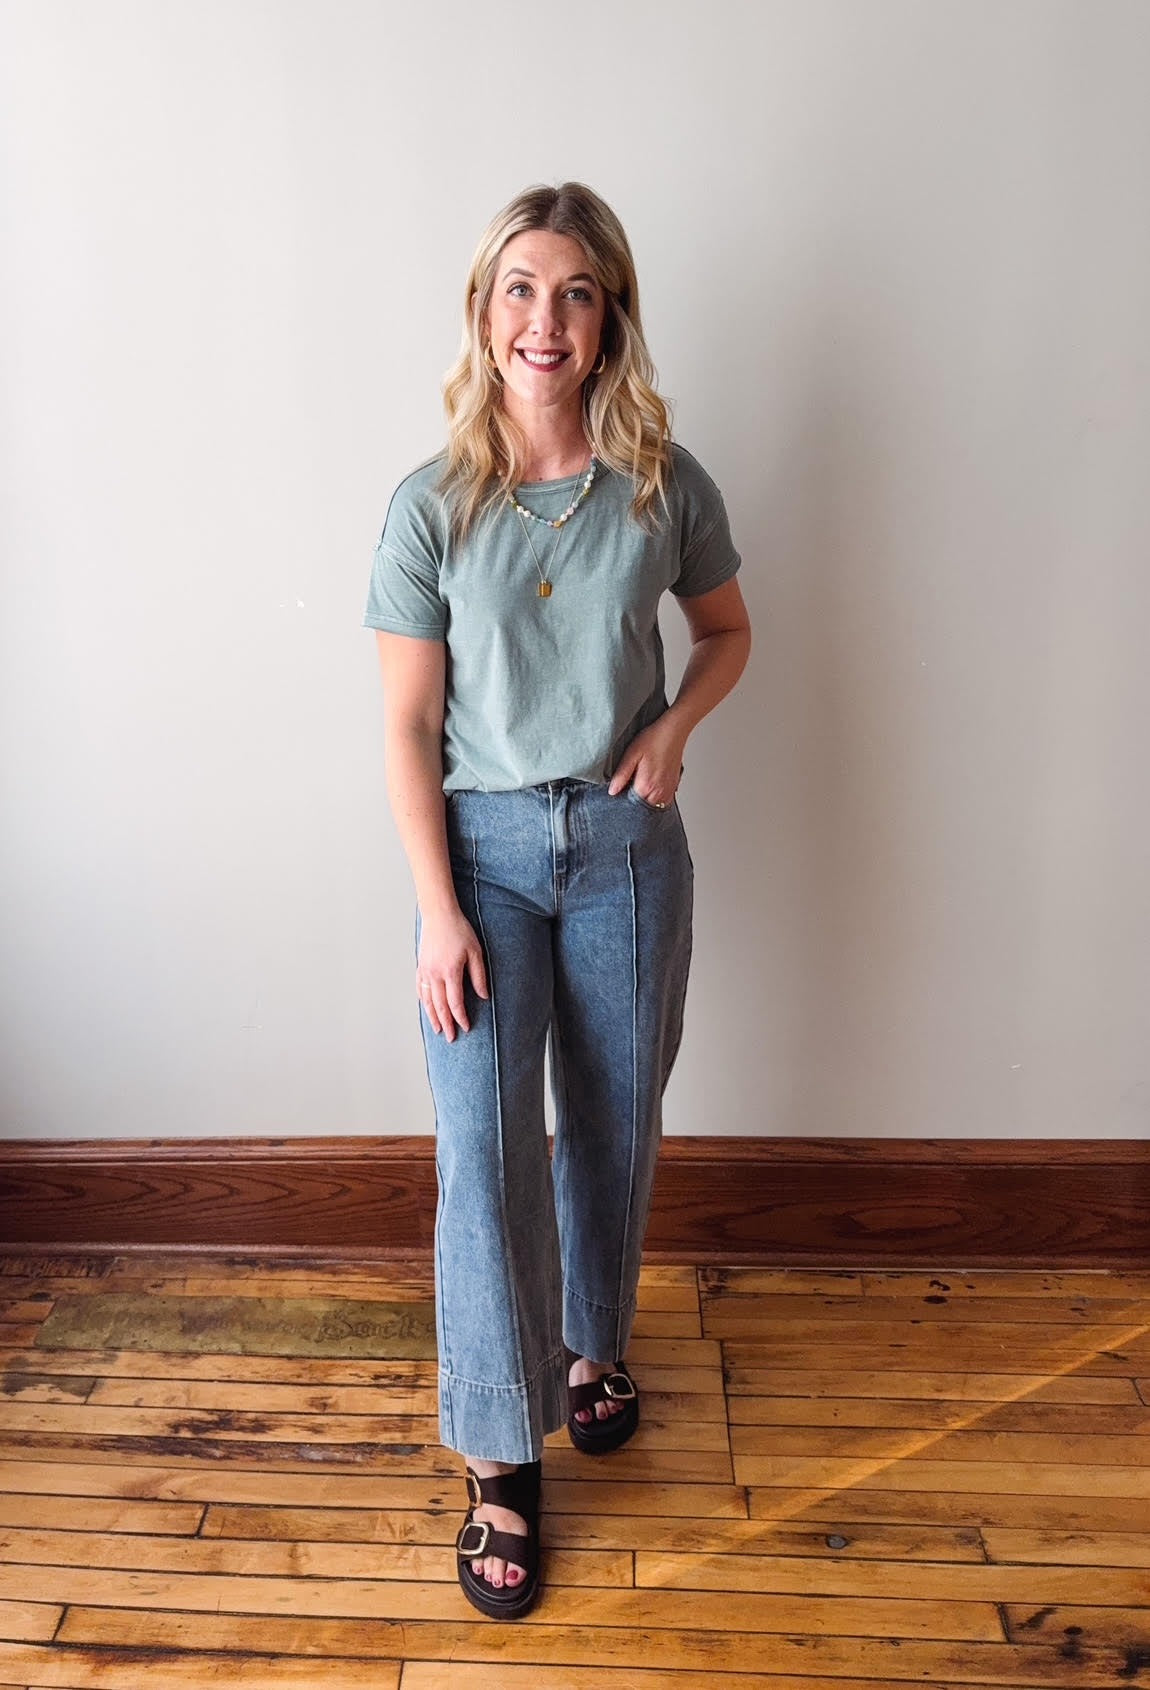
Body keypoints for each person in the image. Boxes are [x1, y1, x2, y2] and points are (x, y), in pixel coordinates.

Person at [364, 181, 750, 1620]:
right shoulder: (429, 503)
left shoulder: (660, 481)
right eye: (520, 289)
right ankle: (495, 1457)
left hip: (626, 848)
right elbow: (406, 729)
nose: (545, 319)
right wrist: (440, 909)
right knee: (483, 1146)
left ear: (609, 318)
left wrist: (672, 730)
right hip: (474, 865)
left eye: (576, 291)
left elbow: (724, 631)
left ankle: (594, 1343)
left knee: (609, 1115)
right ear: (484, 312)